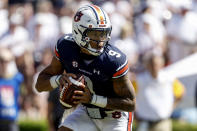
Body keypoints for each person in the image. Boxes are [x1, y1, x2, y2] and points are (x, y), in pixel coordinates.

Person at [35, 4, 136, 131]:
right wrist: (58, 79)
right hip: (87, 112)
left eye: (103, 34)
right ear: (79, 31)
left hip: (115, 116)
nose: (100, 41)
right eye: (95, 34)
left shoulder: (114, 60)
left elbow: (130, 103)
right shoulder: (65, 46)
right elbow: (39, 85)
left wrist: (93, 99)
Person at [134, 51, 185, 131]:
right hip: (144, 122)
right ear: (147, 65)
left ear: (162, 64)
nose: (154, 67)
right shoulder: (139, 79)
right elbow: (130, 97)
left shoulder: (169, 78)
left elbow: (181, 92)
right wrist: (135, 114)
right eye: (152, 64)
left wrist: (171, 108)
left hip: (162, 122)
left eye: (156, 64)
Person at [0, 47, 24, 131]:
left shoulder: (17, 79)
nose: (4, 64)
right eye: (1, 61)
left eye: (7, 61)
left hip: (12, 120)